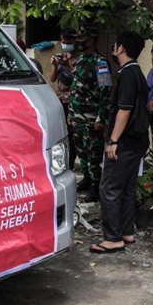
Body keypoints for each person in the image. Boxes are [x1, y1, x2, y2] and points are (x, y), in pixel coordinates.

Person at [91, 31, 151, 253]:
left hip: (124, 141)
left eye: (115, 45)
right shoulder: (138, 73)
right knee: (126, 187)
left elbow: (124, 111)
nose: (113, 48)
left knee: (109, 187)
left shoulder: (126, 74)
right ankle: (127, 232)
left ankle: (113, 237)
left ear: (122, 48)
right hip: (138, 140)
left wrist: (113, 140)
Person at [68, 26, 111, 202]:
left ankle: (96, 186)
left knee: (93, 154)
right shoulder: (80, 61)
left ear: (92, 39)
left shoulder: (100, 63)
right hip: (78, 117)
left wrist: (102, 118)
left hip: (92, 118)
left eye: (83, 37)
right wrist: (70, 113)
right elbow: (74, 88)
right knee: (82, 152)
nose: (79, 41)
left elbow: (106, 91)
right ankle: (87, 179)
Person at [50, 28, 78, 168]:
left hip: (72, 101)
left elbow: (80, 78)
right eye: (62, 42)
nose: (65, 45)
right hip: (60, 99)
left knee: (71, 135)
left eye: (67, 42)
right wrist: (56, 65)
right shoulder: (62, 55)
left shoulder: (79, 57)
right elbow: (53, 78)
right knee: (59, 133)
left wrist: (68, 65)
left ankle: (70, 164)